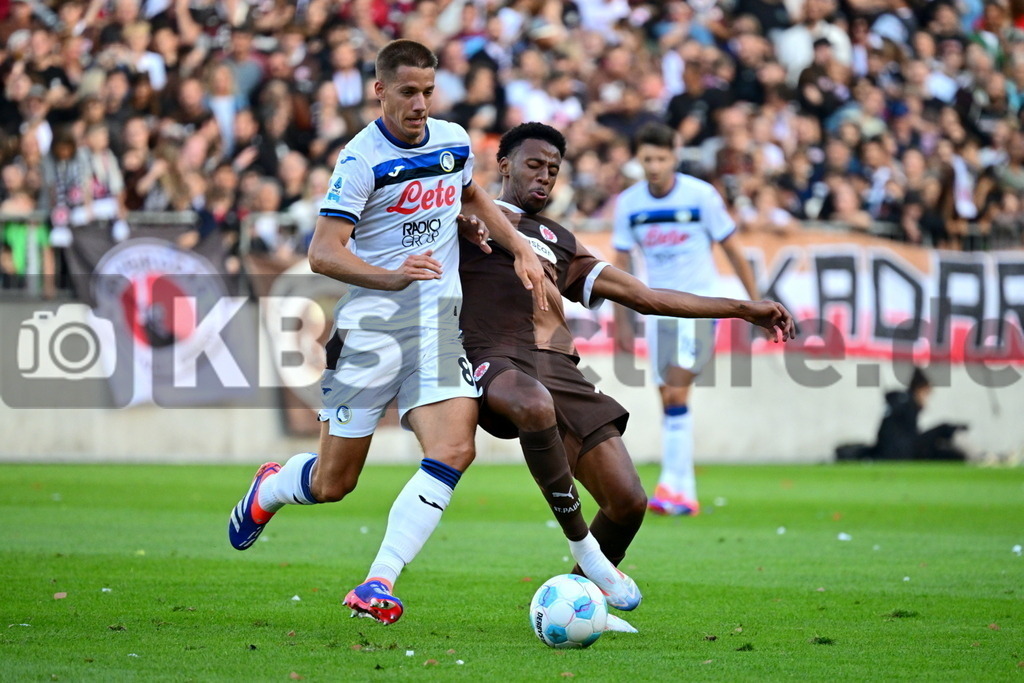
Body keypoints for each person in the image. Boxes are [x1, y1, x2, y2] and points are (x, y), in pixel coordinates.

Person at [227, 40, 547, 626]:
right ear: (380, 91)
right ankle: (271, 488)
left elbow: (470, 193)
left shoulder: (452, 140)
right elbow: (323, 253)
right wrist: (390, 277)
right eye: (408, 92)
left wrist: (518, 245)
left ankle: (379, 581)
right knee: (332, 484)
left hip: (436, 326)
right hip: (370, 329)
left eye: (427, 90)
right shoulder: (359, 160)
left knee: (454, 448)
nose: (420, 103)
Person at [458, 123, 794, 628]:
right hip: (496, 359)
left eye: (554, 169)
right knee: (530, 404)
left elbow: (645, 295)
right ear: (503, 164)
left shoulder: (558, 240)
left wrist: (742, 307)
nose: (545, 177)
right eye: (533, 164)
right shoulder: (465, 214)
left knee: (628, 501)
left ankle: (578, 603)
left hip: (559, 369)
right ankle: (584, 553)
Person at [612, 122, 762, 516]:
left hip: (697, 307)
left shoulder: (701, 196)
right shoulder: (629, 203)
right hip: (658, 310)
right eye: (647, 159)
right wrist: (623, 322)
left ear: (674, 157)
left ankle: (669, 486)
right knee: (669, 397)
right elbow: (621, 266)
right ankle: (684, 490)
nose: (655, 166)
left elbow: (732, 248)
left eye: (661, 158)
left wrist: (756, 302)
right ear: (638, 160)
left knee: (676, 389)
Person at [840, 368, 967, 462]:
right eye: (926, 394)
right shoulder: (909, 405)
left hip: (886, 451)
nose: (927, 399)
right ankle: (977, 455)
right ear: (920, 389)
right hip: (901, 453)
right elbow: (913, 440)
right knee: (944, 430)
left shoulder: (899, 402)